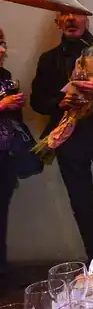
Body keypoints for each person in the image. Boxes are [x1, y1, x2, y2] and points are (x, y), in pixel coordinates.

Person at [30, 12, 93, 261]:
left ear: (87, 20)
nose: (70, 19)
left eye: (76, 15)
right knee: (81, 204)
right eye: (64, 16)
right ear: (58, 23)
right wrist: (60, 102)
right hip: (69, 142)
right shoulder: (49, 59)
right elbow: (37, 102)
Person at [0, 31, 26, 270]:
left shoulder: (4, 76)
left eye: (2, 44)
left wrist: (15, 106)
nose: (1, 50)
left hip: (4, 155)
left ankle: (2, 272)